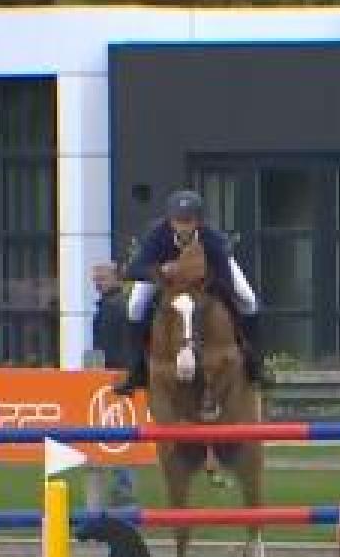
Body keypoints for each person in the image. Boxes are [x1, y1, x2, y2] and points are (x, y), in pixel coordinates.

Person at [119, 189, 263, 391]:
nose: (183, 227)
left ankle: (253, 359)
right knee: (135, 306)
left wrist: (204, 283)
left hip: (207, 277)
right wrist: (161, 270)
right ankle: (136, 368)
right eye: (178, 221)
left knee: (248, 298)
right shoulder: (156, 236)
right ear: (170, 221)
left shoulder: (212, 239)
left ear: (198, 222)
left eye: (188, 221)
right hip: (163, 276)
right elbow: (133, 270)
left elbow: (225, 278)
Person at [90, 261, 136, 503]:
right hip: (115, 375)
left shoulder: (114, 307)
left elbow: (110, 346)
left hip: (115, 377)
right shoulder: (116, 305)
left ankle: (123, 487)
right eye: (95, 279)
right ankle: (121, 487)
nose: (97, 283)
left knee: (117, 432)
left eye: (102, 278)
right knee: (117, 432)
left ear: (115, 278)